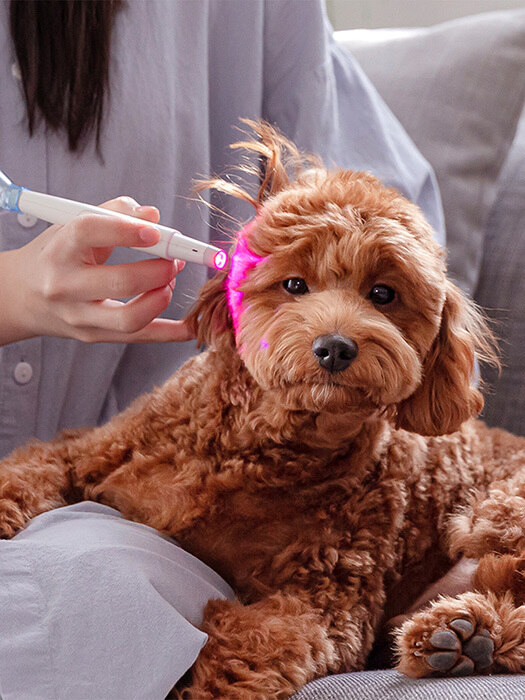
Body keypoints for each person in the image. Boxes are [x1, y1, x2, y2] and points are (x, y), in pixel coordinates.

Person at [0, 1, 446, 698]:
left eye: (377, 297)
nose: (333, 326)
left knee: (81, 599)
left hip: (121, 547)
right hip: (125, 494)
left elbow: (404, 236)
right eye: (295, 285)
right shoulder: (161, 430)